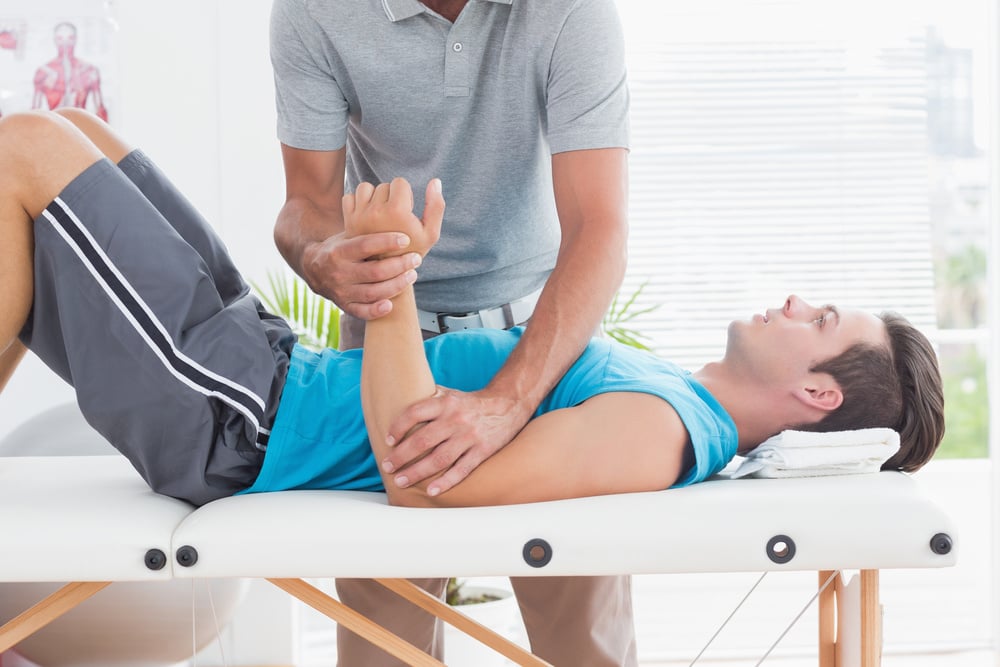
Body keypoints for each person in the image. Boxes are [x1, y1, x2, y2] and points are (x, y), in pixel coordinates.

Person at [1, 110, 945, 657]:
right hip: (274, 363)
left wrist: (391, 279)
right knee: (77, 133)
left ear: (820, 398)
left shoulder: (659, 432)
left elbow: (420, 474)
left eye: (821, 321)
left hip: (244, 420)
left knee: (24, 149)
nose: (794, 301)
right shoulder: (673, 393)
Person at [268, 0, 634, 661]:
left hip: (542, 342)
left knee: (585, 640)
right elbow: (307, 205)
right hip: (391, 339)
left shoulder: (571, 11)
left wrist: (510, 399)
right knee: (386, 633)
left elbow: (598, 226)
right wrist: (325, 259)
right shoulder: (313, 10)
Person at [32, 22, 108, 122]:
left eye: (70, 38)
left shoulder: (89, 71)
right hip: (53, 129)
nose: (65, 43)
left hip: (82, 129)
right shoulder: (43, 72)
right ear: (55, 40)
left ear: (76, 39)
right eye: (60, 39)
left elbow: (100, 110)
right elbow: (33, 114)